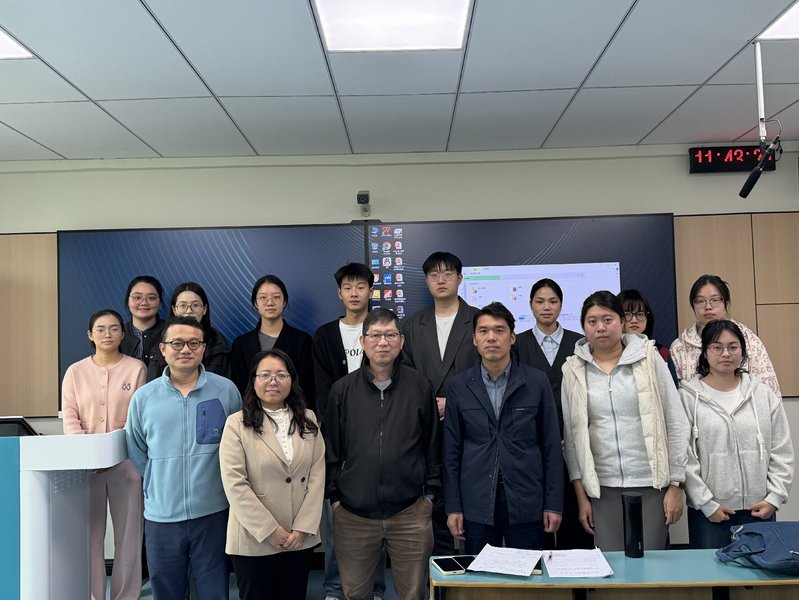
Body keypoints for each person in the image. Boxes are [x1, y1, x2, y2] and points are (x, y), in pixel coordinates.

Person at [324, 308, 439, 600]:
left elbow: (432, 444)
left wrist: (429, 497)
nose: (383, 342)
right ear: (363, 342)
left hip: (410, 513)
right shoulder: (342, 390)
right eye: (375, 335)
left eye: (390, 335)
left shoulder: (420, 386)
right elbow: (332, 449)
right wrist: (335, 499)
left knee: (413, 594)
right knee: (356, 594)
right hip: (354, 515)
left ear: (402, 341)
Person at [561, 291, 690, 551]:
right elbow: (573, 439)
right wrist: (582, 497)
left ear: (621, 321)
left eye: (607, 319)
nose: (600, 327)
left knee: (652, 565)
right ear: (584, 327)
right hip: (602, 487)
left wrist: (676, 484)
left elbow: (676, 421)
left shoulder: (649, 358)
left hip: (651, 483)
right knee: (612, 565)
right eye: (592, 321)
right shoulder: (573, 370)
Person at [126, 316, 242, 600]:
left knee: (214, 590)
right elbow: (137, 449)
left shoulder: (226, 391)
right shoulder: (144, 397)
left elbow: (238, 446)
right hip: (162, 514)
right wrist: (159, 481)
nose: (185, 349)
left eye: (193, 343)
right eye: (177, 343)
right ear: (163, 349)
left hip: (213, 511)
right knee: (167, 590)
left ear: (203, 348)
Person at [444, 302, 563, 554]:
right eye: (483, 331)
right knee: (480, 574)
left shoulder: (536, 382)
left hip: (527, 500)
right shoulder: (459, 386)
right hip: (477, 501)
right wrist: (453, 506)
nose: (491, 337)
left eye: (499, 330)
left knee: (530, 573)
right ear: (474, 339)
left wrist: (553, 504)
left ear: (512, 338)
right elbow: (451, 452)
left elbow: (551, 447)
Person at [678, 320, 793, 549]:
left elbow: (781, 449)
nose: (725, 354)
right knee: (710, 570)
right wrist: (706, 503)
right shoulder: (687, 398)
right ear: (705, 353)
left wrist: (774, 498)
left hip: (760, 509)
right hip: (710, 513)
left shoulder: (763, 394)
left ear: (742, 351)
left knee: (759, 570)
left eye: (733, 347)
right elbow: (684, 455)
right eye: (717, 347)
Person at [220, 349, 325, 600]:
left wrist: (303, 527)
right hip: (254, 537)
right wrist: (269, 530)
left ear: (292, 380)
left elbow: (317, 474)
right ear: (253, 380)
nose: (273, 381)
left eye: (281, 375)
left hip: (299, 537)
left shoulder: (308, 418)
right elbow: (235, 483)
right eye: (265, 375)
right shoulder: (237, 423)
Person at [312, 263, 386, 600]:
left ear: (370, 291)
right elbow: (322, 388)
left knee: (379, 519)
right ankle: (333, 588)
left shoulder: (384, 329)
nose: (354, 293)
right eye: (347, 287)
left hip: (382, 435)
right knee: (337, 518)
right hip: (339, 439)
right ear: (339, 293)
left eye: (360, 286)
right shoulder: (326, 334)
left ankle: (376, 588)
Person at [62, 309, 146, 600]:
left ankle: (126, 595)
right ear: (90, 335)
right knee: (90, 536)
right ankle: (92, 595)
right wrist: (87, 453)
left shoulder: (136, 369)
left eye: (113, 328)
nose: (107, 334)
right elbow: (70, 417)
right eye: (100, 329)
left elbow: (138, 417)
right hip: (86, 467)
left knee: (129, 537)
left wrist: (114, 449)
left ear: (123, 334)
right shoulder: (75, 371)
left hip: (126, 463)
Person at [401, 251, 478, 555]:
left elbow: (489, 371)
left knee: (472, 509)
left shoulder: (479, 320)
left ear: (459, 278)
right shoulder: (412, 325)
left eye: (447, 274)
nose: (441, 280)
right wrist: (427, 405)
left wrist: (454, 402)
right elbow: (404, 374)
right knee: (434, 512)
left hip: (472, 428)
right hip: (425, 429)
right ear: (427, 281)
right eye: (434, 275)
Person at [514, 278, 591, 550]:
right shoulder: (517, 344)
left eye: (552, 301)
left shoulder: (580, 343)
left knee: (576, 524)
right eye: (540, 301)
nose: (546, 307)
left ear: (561, 304)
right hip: (533, 444)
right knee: (538, 527)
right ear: (530, 305)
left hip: (575, 441)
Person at [670, 274, 781, 396]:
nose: (708, 307)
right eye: (700, 301)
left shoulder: (749, 340)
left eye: (715, 300)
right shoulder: (679, 347)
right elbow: (674, 396)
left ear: (726, 303)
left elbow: (769, 390)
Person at [230, 275, 315, 408]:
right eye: (263, 297)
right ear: (256, 303)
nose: (270, 302)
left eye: (276, 297)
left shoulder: (302, 341)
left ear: (284, 301)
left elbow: (306, 386)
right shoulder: (240, 344)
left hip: (292, 413)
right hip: (252, 414)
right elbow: (239, 386)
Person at [147, 281, 230, 381]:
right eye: (183, 306)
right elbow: (153, 383)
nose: (189, 311)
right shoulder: (162, 339)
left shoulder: (218, 343)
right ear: (174, 310)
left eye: (195, 305)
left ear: (204, 309)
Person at [120, 275, 166, 367]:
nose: (144, 303)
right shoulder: (118, 333)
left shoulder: (171, 332)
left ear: (160, 302)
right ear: (128, 301)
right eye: (137, 297)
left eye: (151, 298)